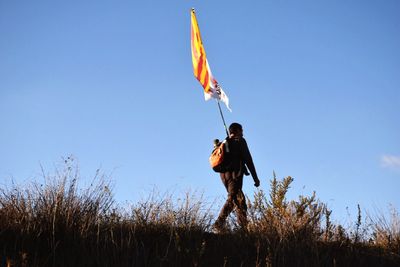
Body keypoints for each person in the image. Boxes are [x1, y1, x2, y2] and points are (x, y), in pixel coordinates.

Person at [213, 122, 260, 232]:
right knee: (234, 199)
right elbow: (248, 160)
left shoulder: (224, 142)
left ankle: (243, 229)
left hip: (224, 176)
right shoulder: (240, 141)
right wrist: (255, 178)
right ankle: (219, 223)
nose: (243, 133)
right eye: (241, 130)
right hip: (235, 175)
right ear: (237, 131)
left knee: (240, 201)